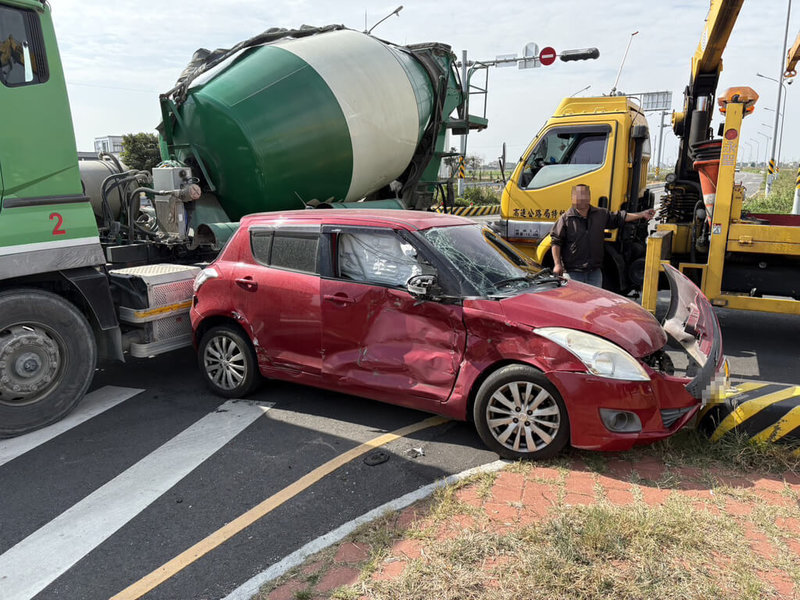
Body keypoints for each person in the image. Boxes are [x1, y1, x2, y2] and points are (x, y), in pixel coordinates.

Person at [551, 184, 655, 287]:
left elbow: (620, 217)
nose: (581, 199)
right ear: (572, 198)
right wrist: (557, 264)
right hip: (573, 273)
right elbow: (556, 242)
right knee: (574, 302)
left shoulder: (600, 214)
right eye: (577, 196)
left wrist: (642, 214)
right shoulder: (565, 219)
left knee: (594, 303)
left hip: (594, 272)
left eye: (584, 195)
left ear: (589, 197)